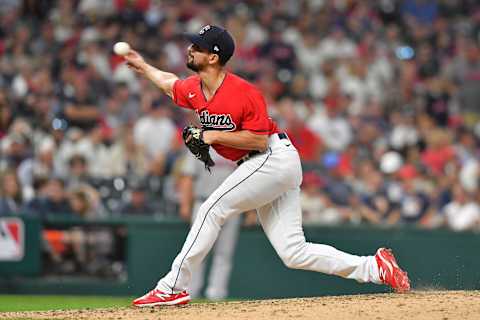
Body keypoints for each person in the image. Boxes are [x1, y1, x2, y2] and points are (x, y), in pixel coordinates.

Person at [124, 25, 410, 307]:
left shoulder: (243, 92)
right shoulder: (193, 89)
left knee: (212, 209)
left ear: (213, 57)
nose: (189, 49)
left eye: (196, 47)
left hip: (272, 157)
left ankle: (172, 287)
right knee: (293, 252)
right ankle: (375, 268)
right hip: (263, 166)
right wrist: (143, 66)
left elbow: (258, 141)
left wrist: (211, 135)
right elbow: (167, 82)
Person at [177, 149, 241, 301]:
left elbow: (249, 178)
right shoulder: (199, 143)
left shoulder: (238, 144)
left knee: (224, 253)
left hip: (231, 205)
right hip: (203, 202)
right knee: (197, 250)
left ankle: (217, 294)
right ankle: (191, 291)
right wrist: (185, 204)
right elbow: (188, 177)